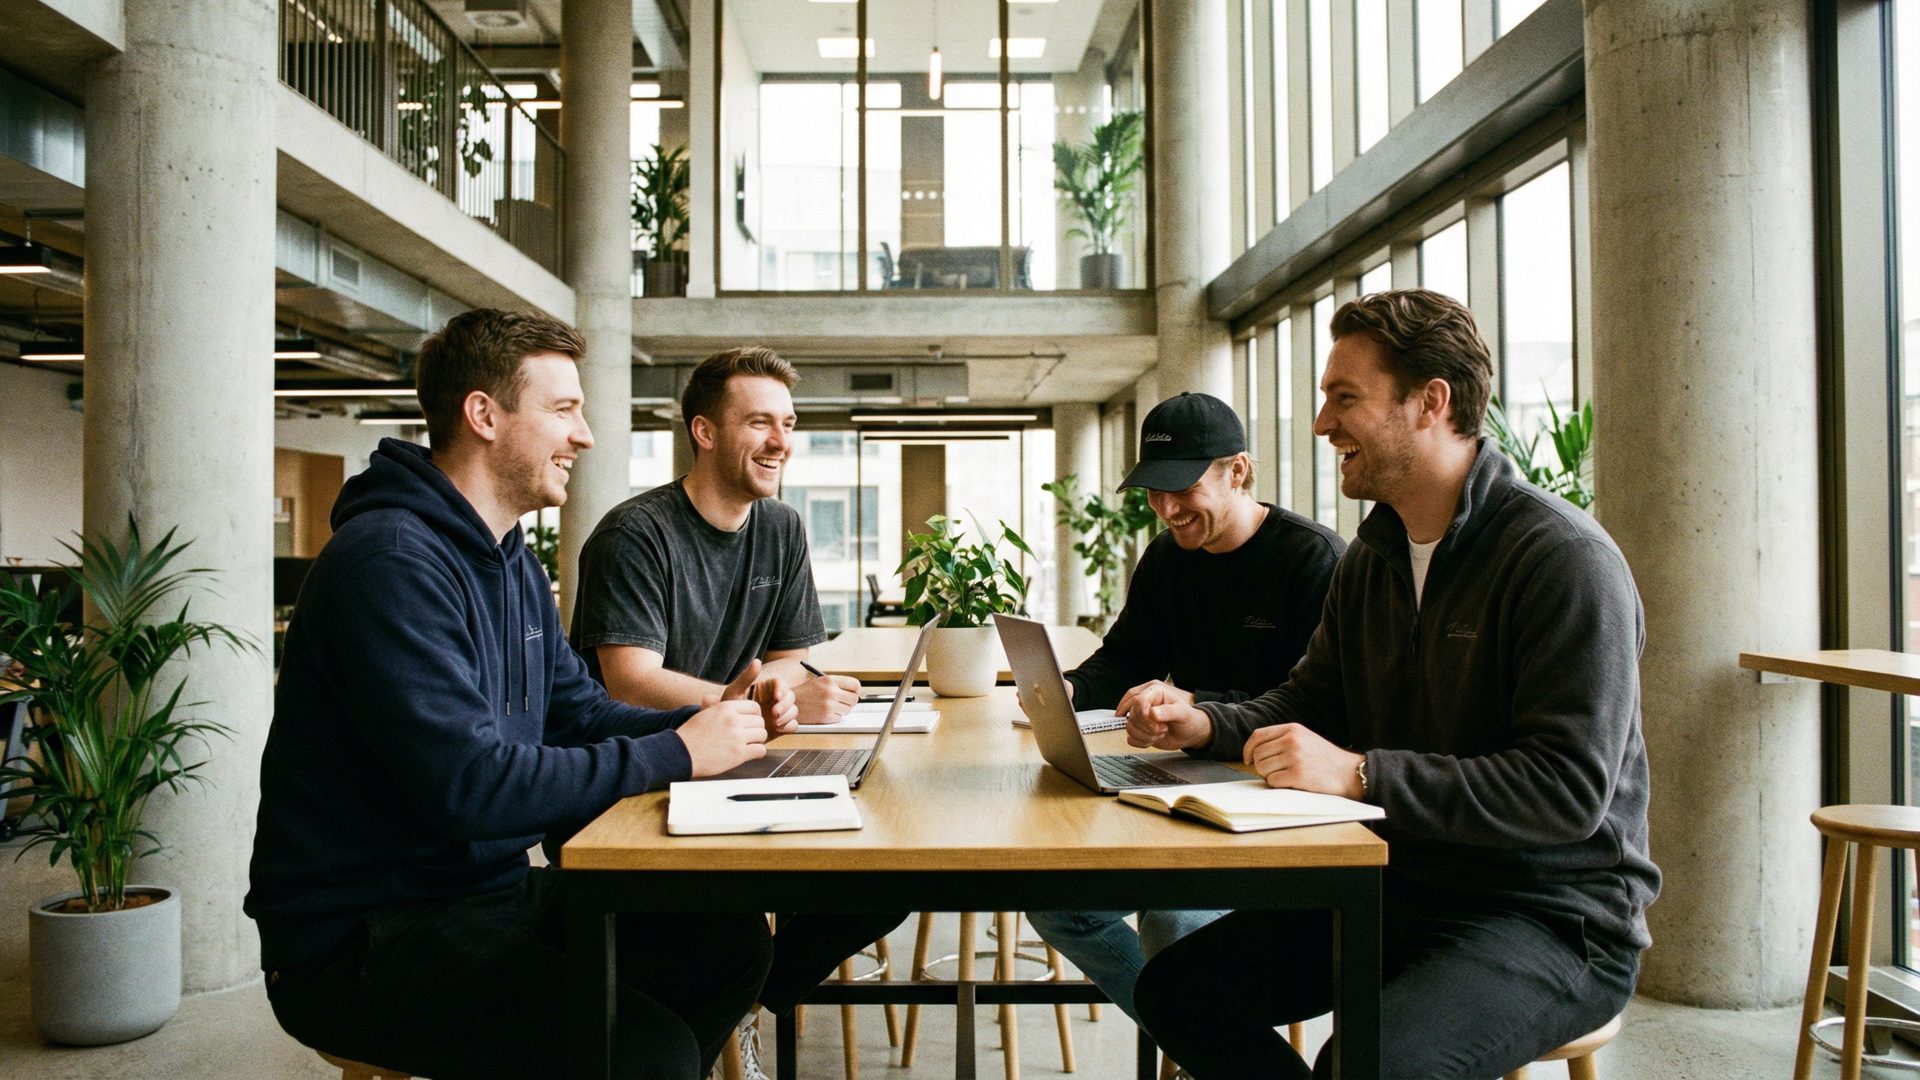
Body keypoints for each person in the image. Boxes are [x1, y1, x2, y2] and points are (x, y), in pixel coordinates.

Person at [1127, 290, 1660, 1079]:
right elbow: (1313, 701)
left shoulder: (1563, 560)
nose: (1321, 424)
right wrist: (1207, 724)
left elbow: (1565, 791)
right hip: (1398, 884)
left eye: (1345, 398)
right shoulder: (1373, 558)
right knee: (1175, 991)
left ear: (1431, 403)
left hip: (1552, 915)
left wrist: (1361, 774)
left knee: (1368, 1064)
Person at [247, 309, 792, 1080]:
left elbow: (578, 713)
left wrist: (714, 723)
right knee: (647, 1053)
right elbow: (473, 787)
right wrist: (678, 751)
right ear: (484, 415)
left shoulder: (510, 560)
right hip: (363, 936)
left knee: (728, 949)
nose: (587, 436)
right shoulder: (390, 564)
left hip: (485, 897)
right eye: (564, 410)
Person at [570, 345, 904, 1077]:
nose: (781, 440)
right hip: (640, 775)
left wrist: (783, 690)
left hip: (739, 759)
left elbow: (793, 653)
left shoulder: (781, 528)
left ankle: (748, 1006)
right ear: (705, 432)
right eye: (759, 422)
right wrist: (751, 699)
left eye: (787, 422)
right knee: (727, 938)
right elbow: (626, 679)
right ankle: (697, 1034)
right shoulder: (637, 534)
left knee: (888, 876)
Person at [1026, 391, 1344, 1024]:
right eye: (1153, 491)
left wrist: (1195, 705)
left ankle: (1200, 1032)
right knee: (1056, 904)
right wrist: (1069, 691)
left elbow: (1313, 706)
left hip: (1279, 800)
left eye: (1183, 488)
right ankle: (1196, 1033)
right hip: (1183, 786)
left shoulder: (1315, 560)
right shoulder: (1169, 557)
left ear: (1239, 471)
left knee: (1175, 922)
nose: (1167, 510)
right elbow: (1125, 655)